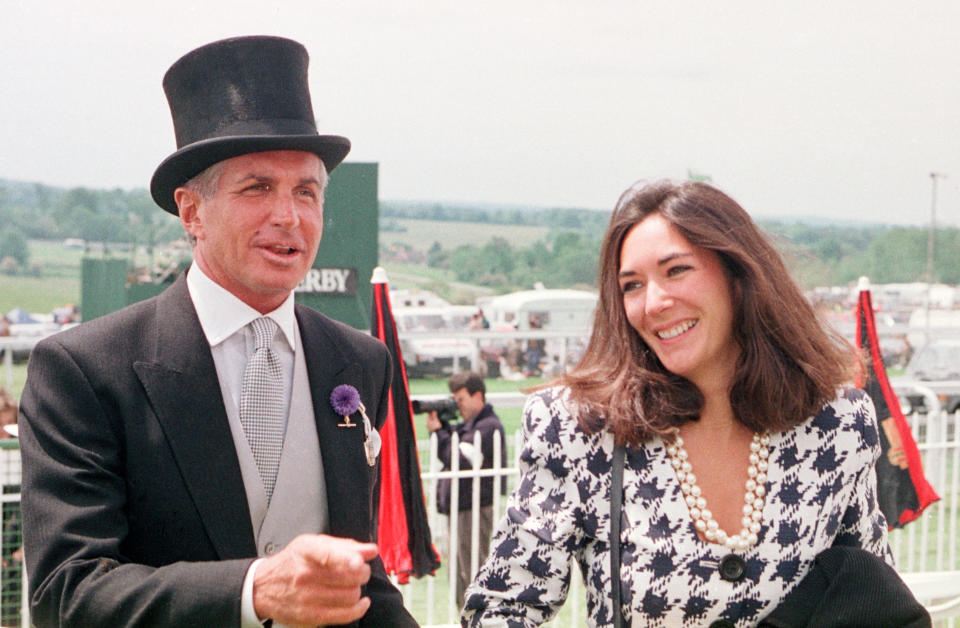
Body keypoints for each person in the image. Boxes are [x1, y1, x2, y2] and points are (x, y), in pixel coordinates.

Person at [18, 36, 416, 628]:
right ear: (191, 212)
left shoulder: (359, 360)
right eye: (257, 187)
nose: (290, 216)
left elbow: (358, 582)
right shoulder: (83, 371)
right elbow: (67, 593)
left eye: (306, 191)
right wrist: (253, 591)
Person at [462, 180, 894, 626]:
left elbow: (875, 603)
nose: (653, 303)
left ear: (738, 275)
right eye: (631, 285)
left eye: (676, 271)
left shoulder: (837, 424)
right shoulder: (578, 427)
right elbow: (499, 610)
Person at [425, 371, 507, 609]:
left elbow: (458, 459)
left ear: (477, 395)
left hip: (473, 510)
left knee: (473, 572)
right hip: (459, 509)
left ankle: (478, 619)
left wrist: (439, 433)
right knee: (458, 574)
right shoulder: (470, 427)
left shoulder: (488, 427)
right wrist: (443, 429)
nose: (456, 405)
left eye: (460, 399)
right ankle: (466, 620)